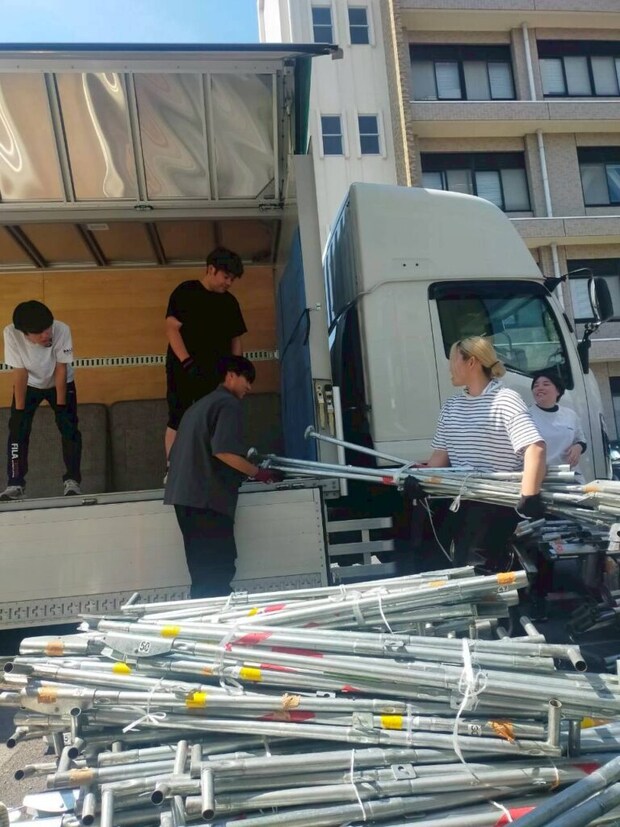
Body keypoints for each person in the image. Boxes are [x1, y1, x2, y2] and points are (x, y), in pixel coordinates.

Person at [408, 336, 546, 572]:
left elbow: (535, 447)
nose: (449, 367)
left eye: (453, 360)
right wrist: (420, 479)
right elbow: (440, 458)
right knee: (452, 565)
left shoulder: (505, 400)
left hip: (496, 501)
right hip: (463, 501)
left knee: (479, 570)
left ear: (472, 362)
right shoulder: (451, 407)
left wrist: (529, 494)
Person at [164, 355, 280, 599]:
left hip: (184, 499)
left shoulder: (199, 406)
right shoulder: (227, 404)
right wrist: (259, 473)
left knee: (202, 571)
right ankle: (217, 618)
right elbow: (224, 452)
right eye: (247, 379)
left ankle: (203, 616)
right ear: (231, 375)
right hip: (207, 500)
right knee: (218, 567)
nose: (250, 387)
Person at [164, 247, 247, 468]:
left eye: (232, 279)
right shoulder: (186, 291)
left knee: (214, 418)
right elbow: (171, 328)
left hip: (217, 371)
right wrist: (186, 362)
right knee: (178, 416)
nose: (229, 283)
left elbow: (236, 339)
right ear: (211, 269)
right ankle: (172, 468)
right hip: (183, 368)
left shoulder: (230, 302)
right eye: (226, 277)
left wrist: (236, 369)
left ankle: (211, 467)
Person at [1, 300, 82, 501]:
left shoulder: (61, 329)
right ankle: (15, 483)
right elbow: (20, 372)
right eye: (39, 333)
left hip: (60, 381)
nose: (47, 335)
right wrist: (19, 412)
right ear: (25, 334)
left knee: (69, 427)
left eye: (48, 328)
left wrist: (61, 406)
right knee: (17, 429)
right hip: (29, 383)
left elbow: (61, 369)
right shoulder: (11, 333)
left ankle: (72, 480)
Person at [529, 371, 587, 482]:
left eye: (546, 384)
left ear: (558, 391)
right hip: (541, 477)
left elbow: (581, 439)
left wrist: (578, 447)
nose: (540, 388)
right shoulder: (526, 415)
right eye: (536, 386)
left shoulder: (570, 415)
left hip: (569, 476)